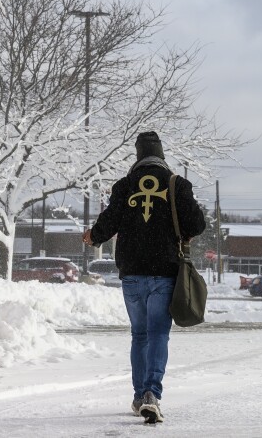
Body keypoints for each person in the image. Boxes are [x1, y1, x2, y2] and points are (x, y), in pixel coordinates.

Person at [83, 131, 205, 424]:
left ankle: (139, 397)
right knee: (158, 334)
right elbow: (197, 224)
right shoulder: (178, 185)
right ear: (161, 155)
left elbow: (109, 221)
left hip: (132, 273)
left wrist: (93, 237)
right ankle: (153, 393)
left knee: (139, 335)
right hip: (165, 272)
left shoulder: (125, 186)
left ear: (137, 156)